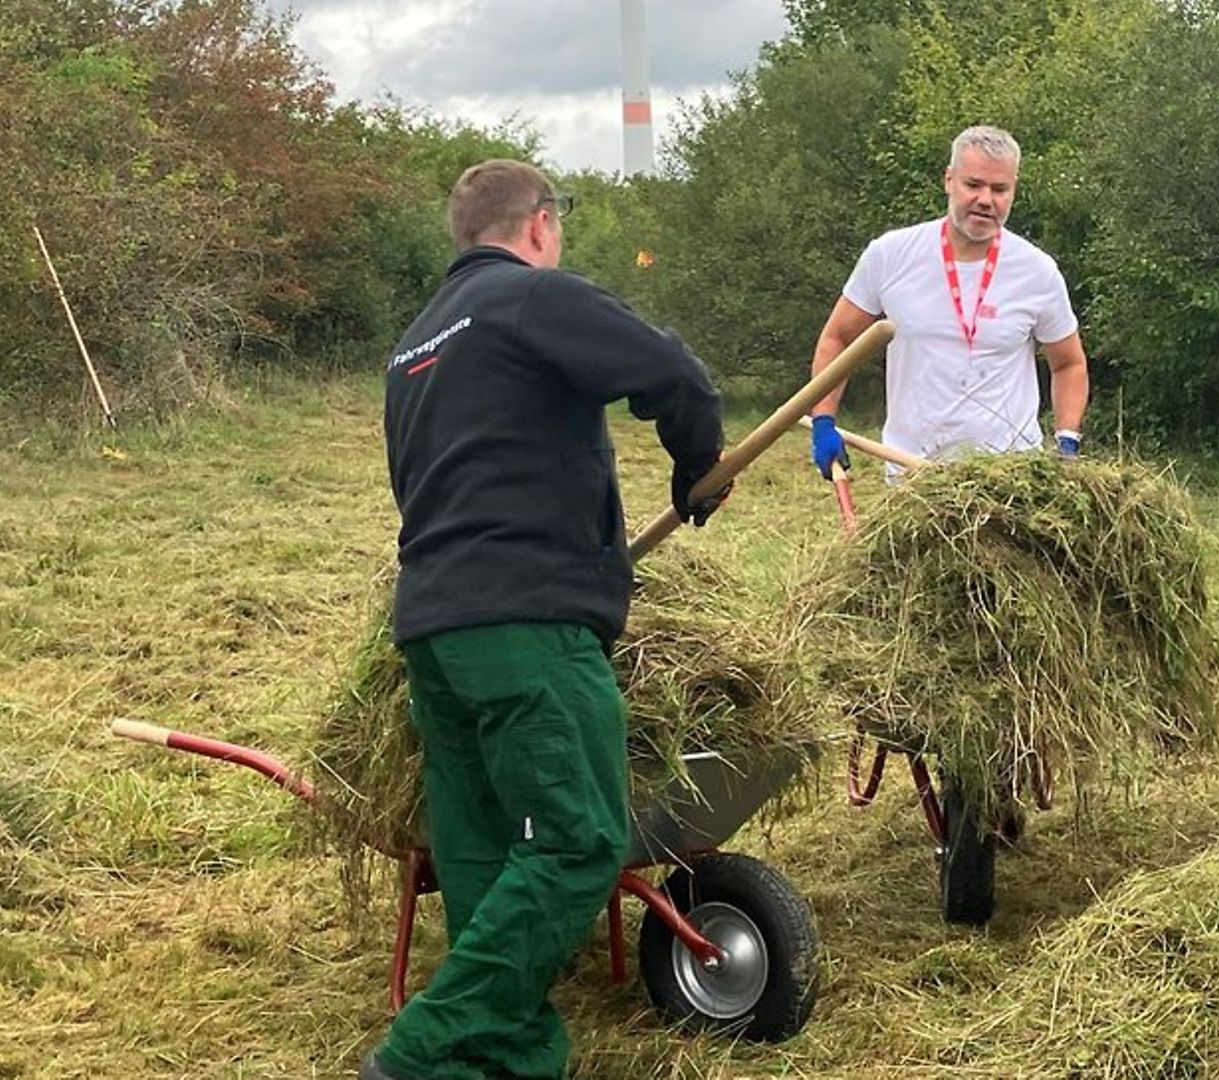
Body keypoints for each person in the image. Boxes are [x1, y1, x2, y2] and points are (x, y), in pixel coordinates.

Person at [364, 159, 728, 1080]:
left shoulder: (413, 347)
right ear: (539, 227)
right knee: (574, 841)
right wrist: (696, 471)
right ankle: (422, 1051)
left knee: (485, 852)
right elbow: (669, 370)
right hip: (527, 624)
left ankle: (509, 1056)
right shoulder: (527, 299)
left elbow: (420, 483)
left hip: (435, 632)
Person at [806, 125, 1090, 475]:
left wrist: (1067, 441)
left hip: (1008, 479)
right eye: (973, 185)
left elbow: (1069, 364)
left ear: (1013, 191)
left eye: (999, 189)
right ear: (949, 180)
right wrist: (823, 420)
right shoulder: (890, 255)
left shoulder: (1037, 272)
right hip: (912, 475)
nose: (986, 200)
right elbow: (839, 339)